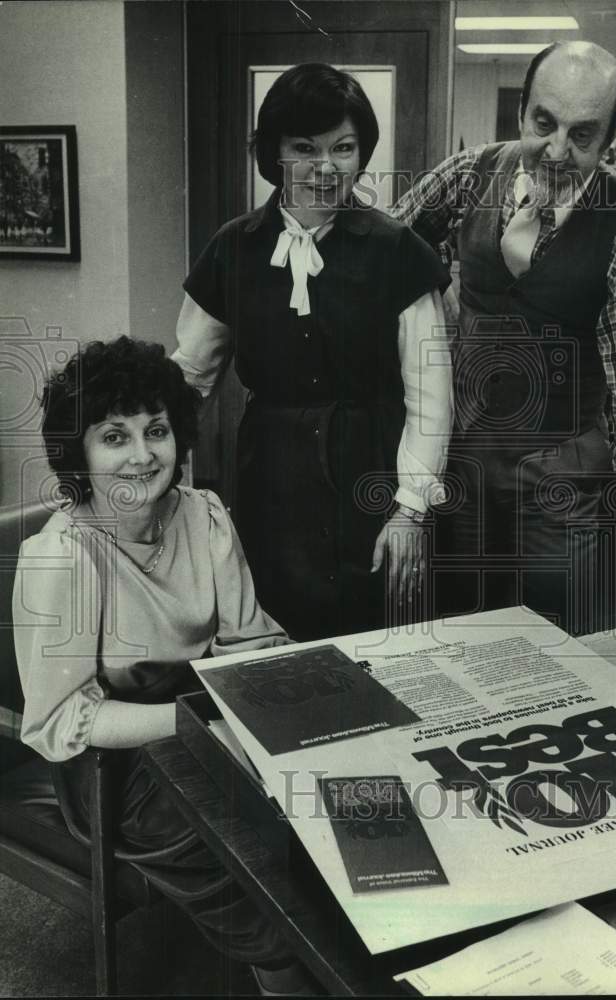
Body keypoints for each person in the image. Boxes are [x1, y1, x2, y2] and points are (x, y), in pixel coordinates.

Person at [13, 337, 316, 996]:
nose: (142, 453)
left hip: (209, 713)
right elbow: (65, 719)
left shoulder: (202, 516)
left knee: (331, 805)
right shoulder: (61, 560)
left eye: (156, 430)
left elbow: (245, 640)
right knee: (259, 871)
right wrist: (201, 727)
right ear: (79, 454)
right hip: (115, 765)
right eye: (113, 436)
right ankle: (281, 970)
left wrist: (286, 696)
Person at [393, 40, 616, 631]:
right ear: (521, 112)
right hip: (465, 468)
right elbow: (382, 250)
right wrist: (434, 293)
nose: (557, 151)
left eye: (582, 135)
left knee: (571, 648)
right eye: (544, 123)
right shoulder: (470, 173)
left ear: (610, 138)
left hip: (565, 485)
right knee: (463, 636)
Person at [174, 63, 453, 642]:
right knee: (273, 637)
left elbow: (432, 397)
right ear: (275, 152)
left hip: (375, 478)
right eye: (305, 148)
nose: (326, 168)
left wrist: (411, 511)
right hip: (270, 479)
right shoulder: (234, 247)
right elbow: (190, 378)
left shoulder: (398, 250)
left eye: (343, 148)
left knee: (377, 639)